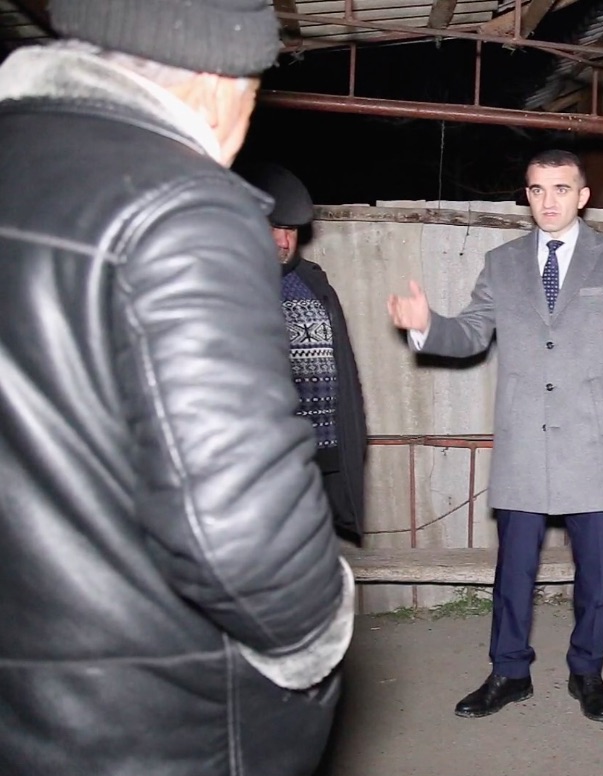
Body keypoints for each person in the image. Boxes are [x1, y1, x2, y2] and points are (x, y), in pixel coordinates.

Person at [0, 1, 354, 775]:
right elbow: (238, 523)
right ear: (221, 83)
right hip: (150, 714)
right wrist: (316, 632)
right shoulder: (182, 205)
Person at [386, 149, 603, 724]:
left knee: (597, 575)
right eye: (537, 189)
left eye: (561, 189)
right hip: (523, 442)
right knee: (513, 572)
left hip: (591, 443)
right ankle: (509, 672)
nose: (548, 201)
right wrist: (427, 326)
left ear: (583, 196)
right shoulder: (502, 262)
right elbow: (472, 332)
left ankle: (587, 672)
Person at [241, 162, 369, 543]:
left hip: (322, 459)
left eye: (291, 230)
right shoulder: (234, 284)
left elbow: (345, 372)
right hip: (265, 462)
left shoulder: (315, 284)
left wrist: (353, 441)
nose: (283, 241)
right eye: (274, 228)